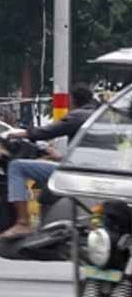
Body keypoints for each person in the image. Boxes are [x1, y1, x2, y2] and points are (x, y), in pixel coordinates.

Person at [0, 84, 98, 239]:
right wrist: (57, 155)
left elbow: (46, 132)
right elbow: (90, 151)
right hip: (92, 169)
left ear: (73, 99)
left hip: (77, 172)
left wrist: (18, 134)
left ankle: (23, 223)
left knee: (16, 167)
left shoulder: (79, 115)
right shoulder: (100, 115)